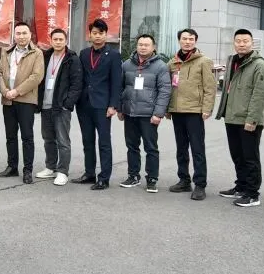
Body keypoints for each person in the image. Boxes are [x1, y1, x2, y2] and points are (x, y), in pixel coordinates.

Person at [215, 28, 264, 208]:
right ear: (234, 43)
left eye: (245, 41)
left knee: (250, 157)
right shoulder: (233, 61)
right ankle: (241, 186)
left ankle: (252, 193)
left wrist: (252, 120)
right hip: (232, 117)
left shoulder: (259, 65)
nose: (241, 44)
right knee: (237, 156)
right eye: (238, 41)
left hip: (248, 120)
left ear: (252, 43)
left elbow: (259, 95)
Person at [165, 28, 216, 200]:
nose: (187, 42)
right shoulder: (173, 63)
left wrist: (207, 108)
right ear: (179, 40)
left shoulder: (204, 61)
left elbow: (210, 87)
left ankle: (200, 184)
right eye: (184, 39)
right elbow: (168, 88)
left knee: (197, 148)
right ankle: (184, 180)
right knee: (181, 148)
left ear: (195, 41)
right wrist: (168, 109)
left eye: (191, 39)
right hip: (177, 111)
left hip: (195, 111)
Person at [118, 34, 172, 193]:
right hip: (130, 112)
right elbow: (120, 87)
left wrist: (158, 113)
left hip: (149, 114)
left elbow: (164, 91)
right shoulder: (127, 64)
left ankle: (152, 179)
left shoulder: (160, 66)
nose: (143, 47)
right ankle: (133, 176)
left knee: (151, 148)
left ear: (153, 47)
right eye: (140, 44)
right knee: (132, 146)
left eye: (146, 45)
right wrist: (120, 108)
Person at [76, 19, 123, 190]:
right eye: (94, 33)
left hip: (103, 105)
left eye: (101, 33)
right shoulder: (83, 53)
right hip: (84, 104)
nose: (97, 36)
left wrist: (113, 105)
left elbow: (116, 82)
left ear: (106, 35)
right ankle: (89, 173)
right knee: (87, 141)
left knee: (104, 142)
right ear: (90, 35)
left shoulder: (114, 55)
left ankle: (104, 178)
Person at [0, 21, 45, 183]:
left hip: (26, 100)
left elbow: (36, 77)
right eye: (18, 33)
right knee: (10, 135)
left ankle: (27, 170)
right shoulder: (6, 52)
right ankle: (12, 167)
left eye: (25, 33)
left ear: (30, 35)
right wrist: (4, 91)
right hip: (8, 100)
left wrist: (16, 91)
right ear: (14, 35)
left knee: (27, 136)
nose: (21, 36)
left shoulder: (37, 53)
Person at [36, 29, 83, 186]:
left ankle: (62, 172)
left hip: (61, 107)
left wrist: (67, 104)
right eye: (55, 39)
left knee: (63, 140)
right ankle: (50, 167)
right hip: (46, 105)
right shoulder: (45, 56)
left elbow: (76, 84)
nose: (57, 42)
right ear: (50, 40)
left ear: (65, 41)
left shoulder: (72, 59)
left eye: (61, 39)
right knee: (48, 138)